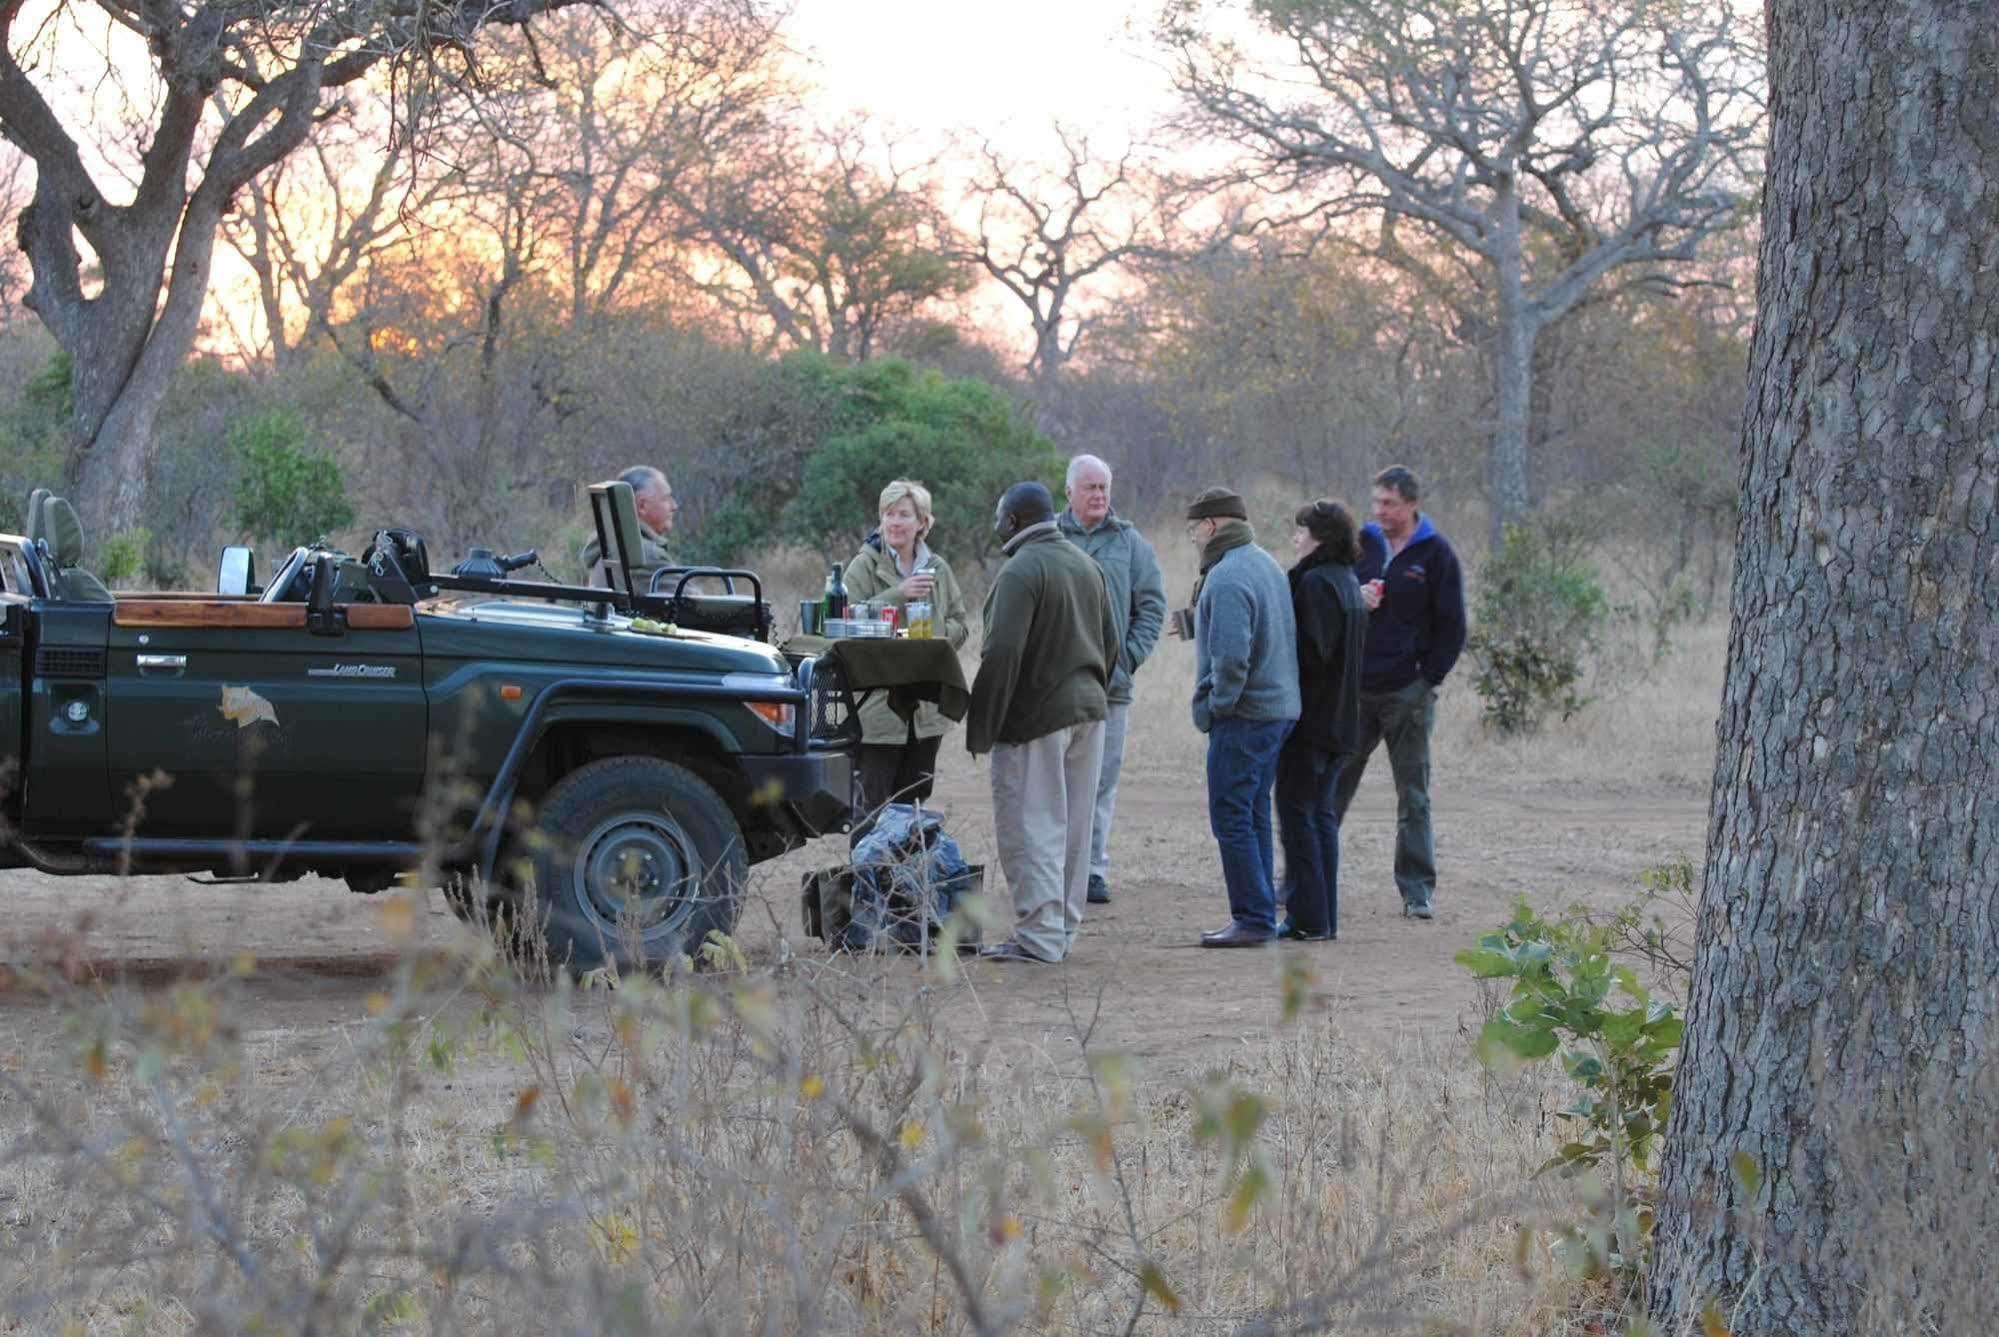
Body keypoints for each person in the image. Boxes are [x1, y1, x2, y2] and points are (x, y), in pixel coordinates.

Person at [965, 481, 1121, 964]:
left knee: (1031, 826)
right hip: (1089, 714)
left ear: (1013, 521)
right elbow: (1110, 642)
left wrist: (984, 724)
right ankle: (1062, 930)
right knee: (1074, 826)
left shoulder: (1021, 569)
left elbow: (1002, 652)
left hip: (1036, 719)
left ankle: (1038, 936)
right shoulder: (1085, 563)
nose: (995, 526)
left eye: (999, 518)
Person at [1335, 465, 1466, 920]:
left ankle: (1417, 891)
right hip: (1356, 691)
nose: (1378, 512)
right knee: (1332, 785)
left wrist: (1426, 681)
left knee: (1413, 796)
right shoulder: (1362, 544)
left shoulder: (1436, 555)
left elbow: (1453, 626)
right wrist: (1358, 595)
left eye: (1388, 503)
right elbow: (1329, 591)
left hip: (1407, 694)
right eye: (1375, 502)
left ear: (1411, 504)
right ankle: (1302, 880)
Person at [1182, 487, 1300, 948]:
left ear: (1212, 525)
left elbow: (1231, 658)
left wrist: (1218, 706)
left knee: (1231, 814)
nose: (1193, 538)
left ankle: (1251, 918)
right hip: (1276, 711)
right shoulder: (1266, 563)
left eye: (1195, 529)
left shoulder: (1228, 575)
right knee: (1251, 812)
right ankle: (1260, 913)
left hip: (1246, 715)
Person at [1056, 454, 1166, 905]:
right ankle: (1056, 870)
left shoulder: (1130, 542)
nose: (1099, 495)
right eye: (1090, 488)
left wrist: (1128, 658)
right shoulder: (1050, 538)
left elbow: (1152, 606)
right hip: (1055, 689)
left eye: (1104, 487)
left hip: (1110, 689)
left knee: (1100, 780)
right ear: (1069, 493)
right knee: (1055, 781)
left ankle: (1093, 870)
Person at [840, 479, 970, 836]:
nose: (895, 522)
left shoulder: (939, 568)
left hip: (926, 713)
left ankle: (905, 887)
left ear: (922, 523)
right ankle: (870, 887)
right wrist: (899, 594)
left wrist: (937, 642)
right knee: (872, 808)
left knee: (914, 805)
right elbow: (846, 621)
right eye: (888, 514)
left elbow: (961, 621)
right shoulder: (863, 566)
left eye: (904, 514)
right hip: (877, 711)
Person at [1275, 500, 1368, 942]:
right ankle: (1322, 917)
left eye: (1303, 531)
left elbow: (1310, 656)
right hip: (1342, 722)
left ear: (1321, 538)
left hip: (1312, 724)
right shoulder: (1348, 581)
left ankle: (1307, 919)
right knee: (1322, 818)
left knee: (1299, 818)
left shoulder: (1314, 584)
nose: (1296, 538)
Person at [581, 465, 679, 585]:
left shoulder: (610, 546)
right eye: (666, 499)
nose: (674, 506)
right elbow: (695, 601)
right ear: (642, 506)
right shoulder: (643, 555)